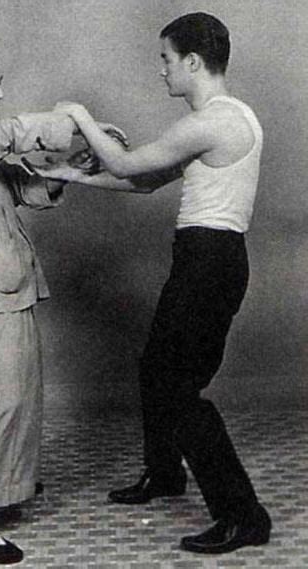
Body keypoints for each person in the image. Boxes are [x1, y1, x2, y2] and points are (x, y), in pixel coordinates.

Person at [32, 12, 272, 555]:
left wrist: (77, 115)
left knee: (179, 391)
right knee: (154, 369)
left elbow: (124, 160)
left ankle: (244, 516)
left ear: (192, 62)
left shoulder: (213, 120)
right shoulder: (224, 119)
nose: (160, 71)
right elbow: (142, 181)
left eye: (165, 60)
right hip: (203, 258)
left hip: (209, 262)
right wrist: (73, 176)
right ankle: (165, 474)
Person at [0, 52, 126, 564]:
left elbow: (31, 190)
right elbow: (15, 133)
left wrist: (74, 166)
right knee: (1, 402)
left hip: (9, 289)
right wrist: (74, 122)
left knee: (22, 397)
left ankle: (0, 496)